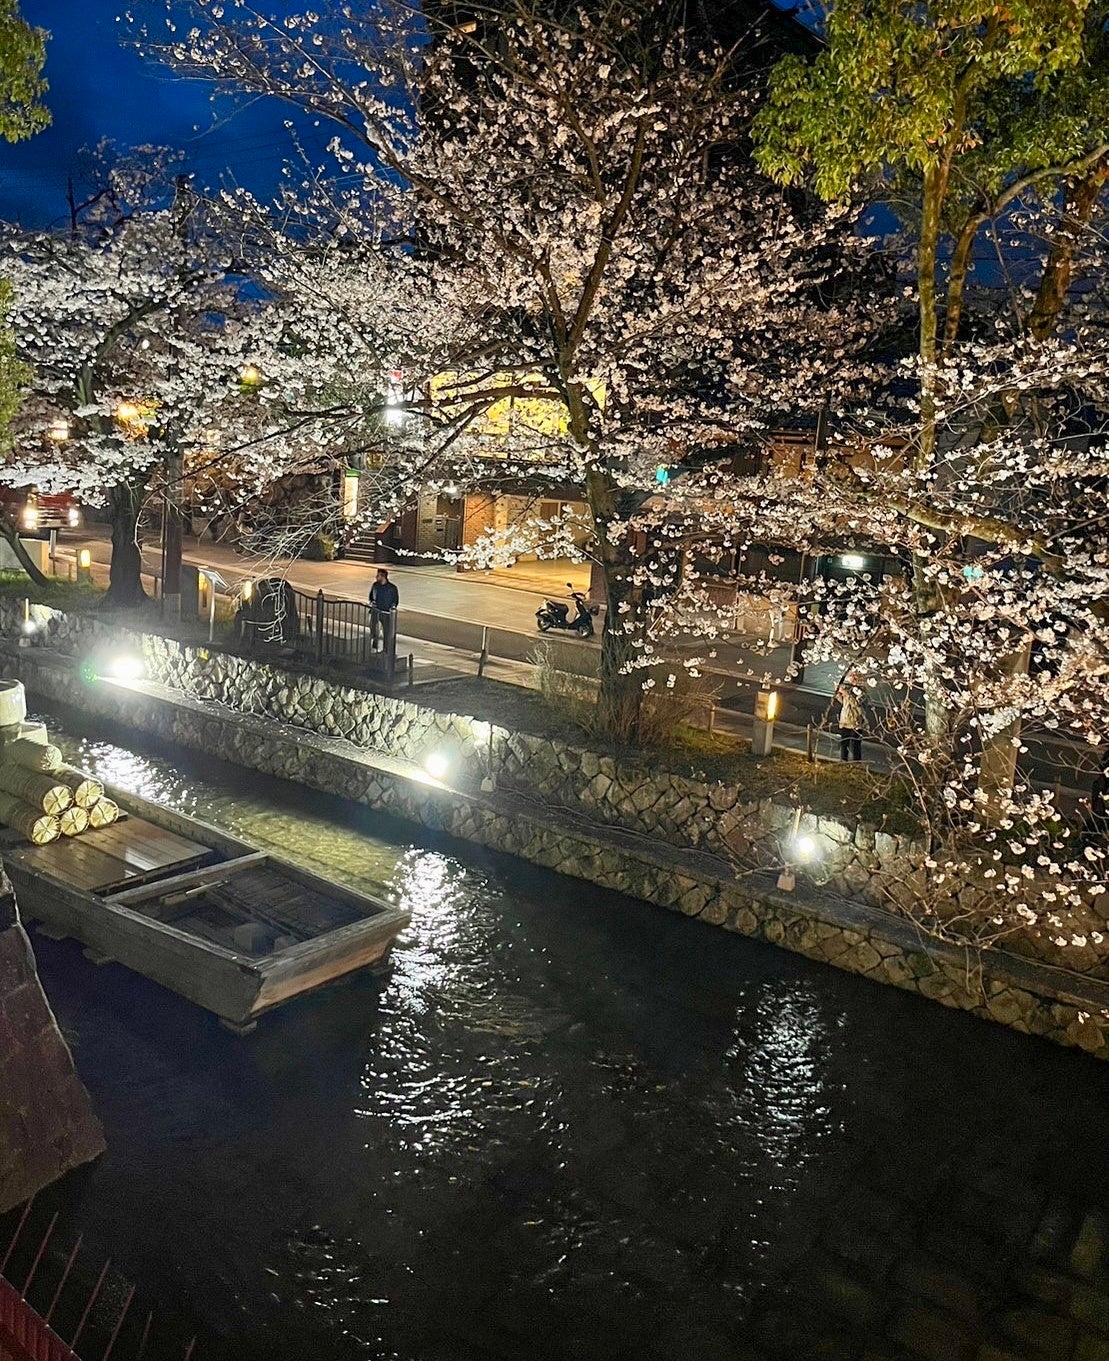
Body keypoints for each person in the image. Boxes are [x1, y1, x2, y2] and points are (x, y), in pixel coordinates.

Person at [835, 673, 865, 762]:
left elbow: (856, 703)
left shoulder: (862, 691)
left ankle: (857, 762)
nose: (851, 680)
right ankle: (843, 760)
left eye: (854, 679)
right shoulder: (848, 689)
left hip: (856, 721)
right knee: (844, 743)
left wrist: (846, 694)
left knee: (856, 744)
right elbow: (844, 702)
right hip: (845, 720)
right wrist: (838, 693)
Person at [368, 568, 399, 652]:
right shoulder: (375, 586)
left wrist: (391, 609)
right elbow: (371, 596)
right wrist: (372, 603)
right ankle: (374, 646)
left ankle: (386, 650)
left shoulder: (392, 588)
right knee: (373, 630)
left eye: (378, 575)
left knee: (387, 632)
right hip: (375, 611)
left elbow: (395, 601)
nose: (376, 577)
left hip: (386, 613)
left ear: (383, 576)